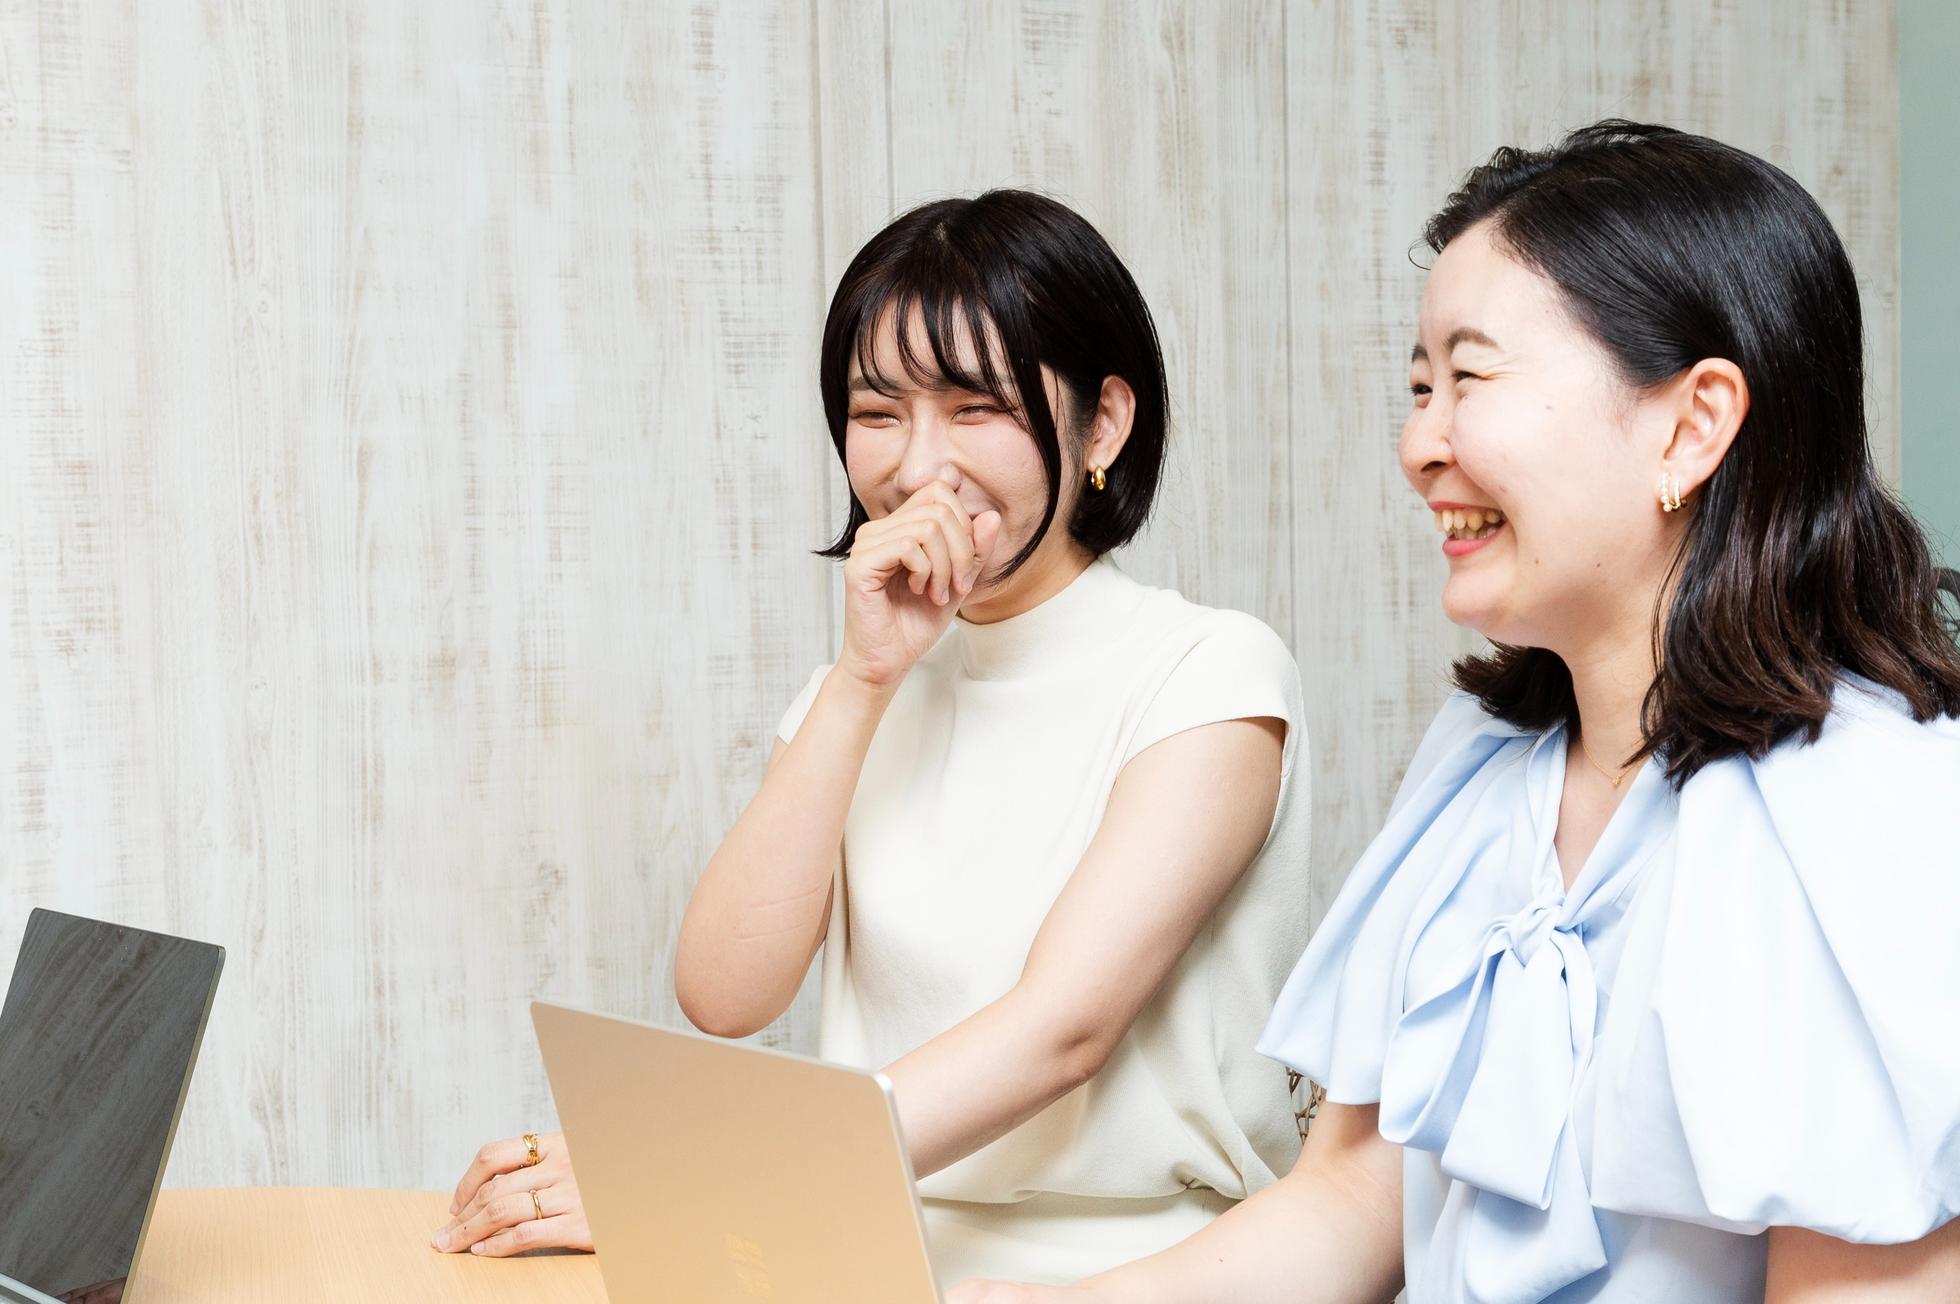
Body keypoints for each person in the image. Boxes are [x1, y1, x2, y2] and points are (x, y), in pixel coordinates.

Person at [953, 121, 1960, 1302]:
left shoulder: (1879, 813)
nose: (1420, 444)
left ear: (1691, 426)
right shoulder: (1483, 767)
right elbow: (1348, 1203)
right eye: (1419, 387)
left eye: (1469, 378)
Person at [433, 189, 1316, 1285]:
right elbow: (724, 994)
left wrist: (702, 1169)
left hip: (1144, 1265)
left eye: (976, 408)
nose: (916, 467)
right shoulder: (857, 690)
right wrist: (861, 681)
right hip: (857, 1240)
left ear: (1102, 424)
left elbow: (1063, 1029)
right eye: (878, 412)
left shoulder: (1209, 673)